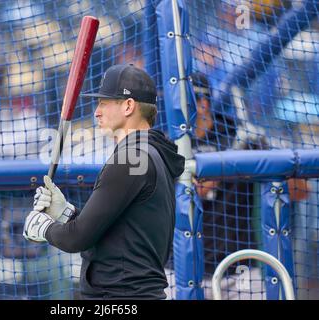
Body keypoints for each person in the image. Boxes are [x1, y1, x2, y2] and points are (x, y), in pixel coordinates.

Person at [23, 64, 185, 299]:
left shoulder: (132, 158)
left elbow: (76, 238)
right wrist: (65, 213)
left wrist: (43, 227)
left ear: (129, 106)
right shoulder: (147, 153)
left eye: (104, 103)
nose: (97, 112)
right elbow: (119, 235)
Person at [190, 72, 310, 298]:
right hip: (182, 268)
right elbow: (194, 190)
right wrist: (227, 162)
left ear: (203, 103)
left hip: (239, 268)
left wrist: (270, 153)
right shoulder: (169, 139)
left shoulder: (238, 135)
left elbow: (301, 192)